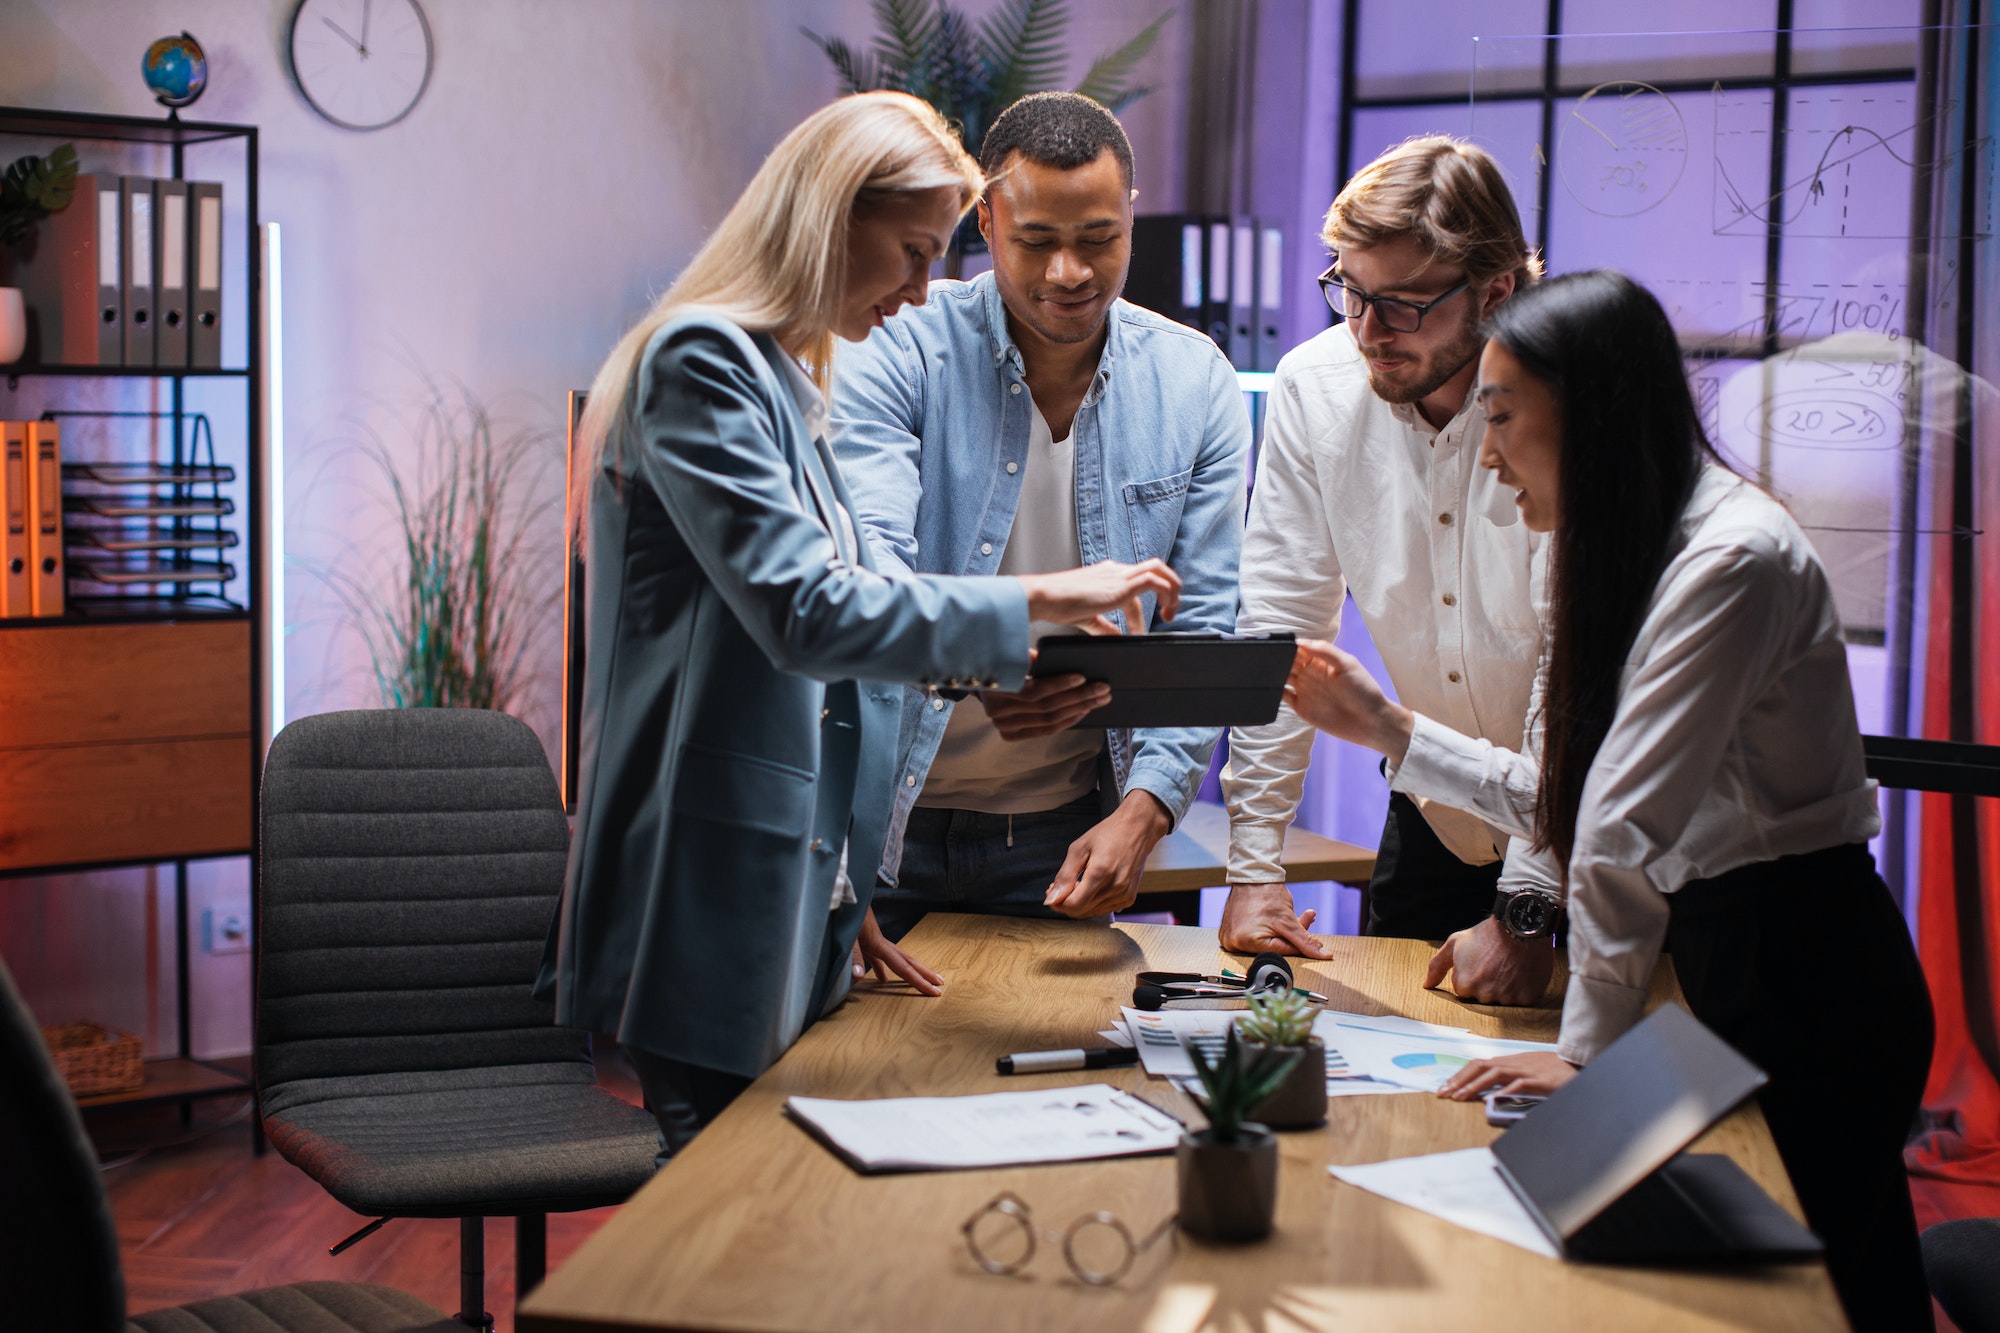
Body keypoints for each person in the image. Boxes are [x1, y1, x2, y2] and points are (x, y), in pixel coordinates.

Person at [1283, 269, 1935, 1331]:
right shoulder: (1600, 546)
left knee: (1818, 1293)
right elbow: (1564, 796)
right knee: (1686, 1265)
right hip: (1716, 955)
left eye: (1500, 418)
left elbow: (1616, 826)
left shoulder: (1731, 559)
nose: (1485, 457)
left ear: (1588, 414)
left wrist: (1585, 1056)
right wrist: (1390, 731)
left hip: (1803, 968)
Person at [536, 92, 1182, 1158]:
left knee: (763, 1203)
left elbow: (828, 671)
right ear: (830, 219)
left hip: (778, 879)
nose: (922, 290)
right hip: (704, 881)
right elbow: (808, 615)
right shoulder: (699, 365)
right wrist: (1043, 597)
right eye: (914, 252)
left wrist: (834, 881)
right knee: (724, 1214)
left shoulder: (786, 378)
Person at [833, 92, 1248, 941]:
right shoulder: (899, 344)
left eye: (1098, 239)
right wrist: (995, 661)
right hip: (876, 823)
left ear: (1130, 217)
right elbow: (871, 575)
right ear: (984, 220)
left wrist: (1148, 807)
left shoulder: (1195, 381)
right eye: (1037, 242)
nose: (1070, 272)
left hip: (1064, 833)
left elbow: (1201, 624)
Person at [1218, 137, 1552, 992]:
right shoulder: (1314, 385)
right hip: (1431, 818)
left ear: (1496, 291)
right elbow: (1280, 629)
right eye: (1349, 292)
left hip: (1574, 843)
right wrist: (1256, 865)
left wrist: (1528, 904)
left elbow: (1579, 695)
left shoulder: (1565, 403)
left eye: (1401, 305)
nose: (1366, 332)